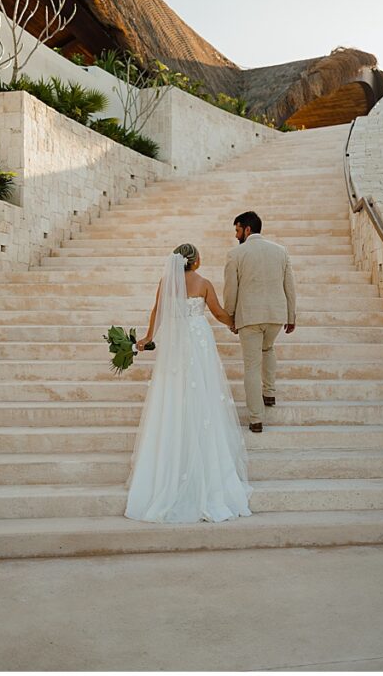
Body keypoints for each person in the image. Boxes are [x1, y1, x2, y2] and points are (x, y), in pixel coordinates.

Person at [125, 244, 252, 523]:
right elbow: (218, 313)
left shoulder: (166, 282)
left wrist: (147, 338)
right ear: (195, 261)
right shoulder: (204, 283)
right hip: (198, 341)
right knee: (202, 393)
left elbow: (157, 311)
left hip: (175, 341)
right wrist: (236, 323)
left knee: (173, 392)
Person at [223, 210, 297, 433]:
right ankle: (270, 393)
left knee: (251, 366)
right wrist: (291, 316)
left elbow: (230, 291)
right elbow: (290, 287)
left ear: (247, 229)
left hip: (250, 317)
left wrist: (230, 317)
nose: (236, 235)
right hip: (276, 315)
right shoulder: (281, 252)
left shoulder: (235, 254)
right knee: (268, 348)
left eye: (237, 230)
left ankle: (256, 418)